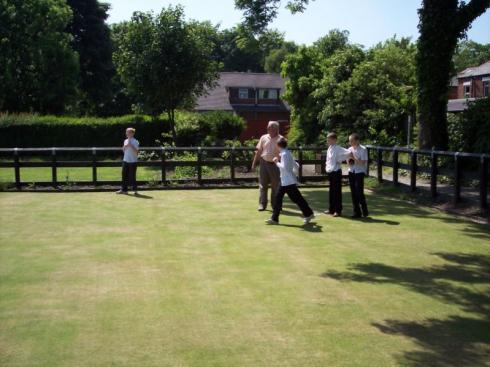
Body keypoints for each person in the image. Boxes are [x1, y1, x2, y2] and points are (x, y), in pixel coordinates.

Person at [266, 137, 315, 225]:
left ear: (278, 146)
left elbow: (285, 168)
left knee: (296, 199)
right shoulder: (287, 153)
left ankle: (309, 213)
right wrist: (294, 173)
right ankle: (274, 218)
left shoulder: (285, 154)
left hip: (287, 182)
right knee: (281, 198)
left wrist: (276, 162)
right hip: (286, 181)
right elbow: (296, 166)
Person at [252, 121, 283, 211]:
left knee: (275, 186)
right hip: (264, 163)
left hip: (275, 165)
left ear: (275, 129)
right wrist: (253, 164)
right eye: (268, 127)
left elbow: (284, 154)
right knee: (263, 185)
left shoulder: (281, 139)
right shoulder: (263, 137)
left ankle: (275, 205)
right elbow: (258, 152)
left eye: (269, 127)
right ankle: (262, 204)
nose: (267, 129)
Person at [325, 132, 352, 217]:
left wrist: (340, 159)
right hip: (330, 171)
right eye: (327, 139)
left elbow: (349, 152)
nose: (328, 141)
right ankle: (331, 209)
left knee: (337, 192)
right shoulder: (329, 148)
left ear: (334, 140)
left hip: (336, 171)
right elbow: (328, 160)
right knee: (331, 191)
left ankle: (338, 210)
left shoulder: (338, 148)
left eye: (329, 139)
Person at [347, 133, 369, 218]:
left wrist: (353, 157)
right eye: (349, 141)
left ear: (357, 140)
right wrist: (350, 160)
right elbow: (349, 163)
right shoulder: (349, 149)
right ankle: (357, 212)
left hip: (359, 172)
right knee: (353, 193)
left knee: (359, 193)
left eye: (351, 141)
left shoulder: (363, 149)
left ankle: (365, 211)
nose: (350, 142)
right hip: (351, 171)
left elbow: (362, 162)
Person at [117, 128, 139, 195]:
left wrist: (131, 146)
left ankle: (135, 190)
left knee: (132, 176)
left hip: (133, 161)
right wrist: (124, 147)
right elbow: (124, 150)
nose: (127, 134)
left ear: (132, 133)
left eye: (128, 132)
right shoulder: (125, 141)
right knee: (124, 175)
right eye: (126, 132)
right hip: (125, 160)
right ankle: (124, 190)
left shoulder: (135, 141)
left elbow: (137, 152)